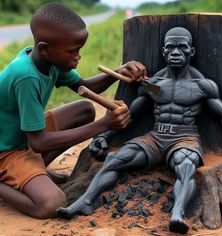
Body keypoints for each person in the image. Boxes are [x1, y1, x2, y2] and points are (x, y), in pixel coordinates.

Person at [57, 27, 222, 234]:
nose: (176, 52)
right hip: (155, 137)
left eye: (182, 47)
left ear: (191, 52)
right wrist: (105, 134)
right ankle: (84, 202)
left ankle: (177, 213)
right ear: (163, 52)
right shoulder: (154, 84)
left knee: (186, 166)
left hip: (184, 137)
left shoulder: (203, 86)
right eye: (170, 47)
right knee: (114, 160)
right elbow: (131, 115)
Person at [0, 2, 147, 219]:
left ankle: (34, 171)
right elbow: (38, 142)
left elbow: (86, 86)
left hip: (20, 136)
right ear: (45, 48)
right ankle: (15, 179)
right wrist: (103, 125)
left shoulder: (46, 61)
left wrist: (118, 72)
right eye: (73, 51)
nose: (78, 56)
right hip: (7, 149)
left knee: (85, 110)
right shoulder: (27, 76)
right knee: (51, 204)